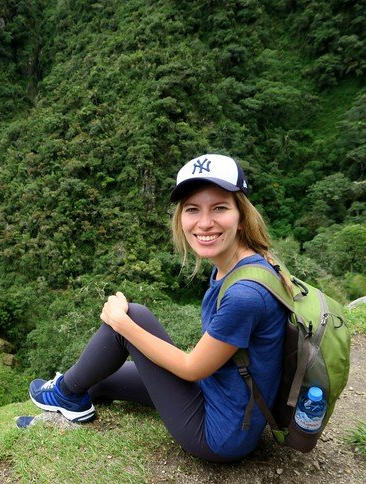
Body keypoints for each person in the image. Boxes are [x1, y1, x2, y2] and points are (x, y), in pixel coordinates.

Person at [29, 154, 289, 462]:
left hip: (220, 434)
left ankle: (62, 395)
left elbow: (192, 367)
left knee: (132, 316)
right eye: (192, 209)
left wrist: (122, 325)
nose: (205, 222)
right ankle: (60, 407)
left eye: (219, 208)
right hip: (221, 393)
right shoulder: (246, 263)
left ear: (241, 216)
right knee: (96, 378)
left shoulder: (245, 294)